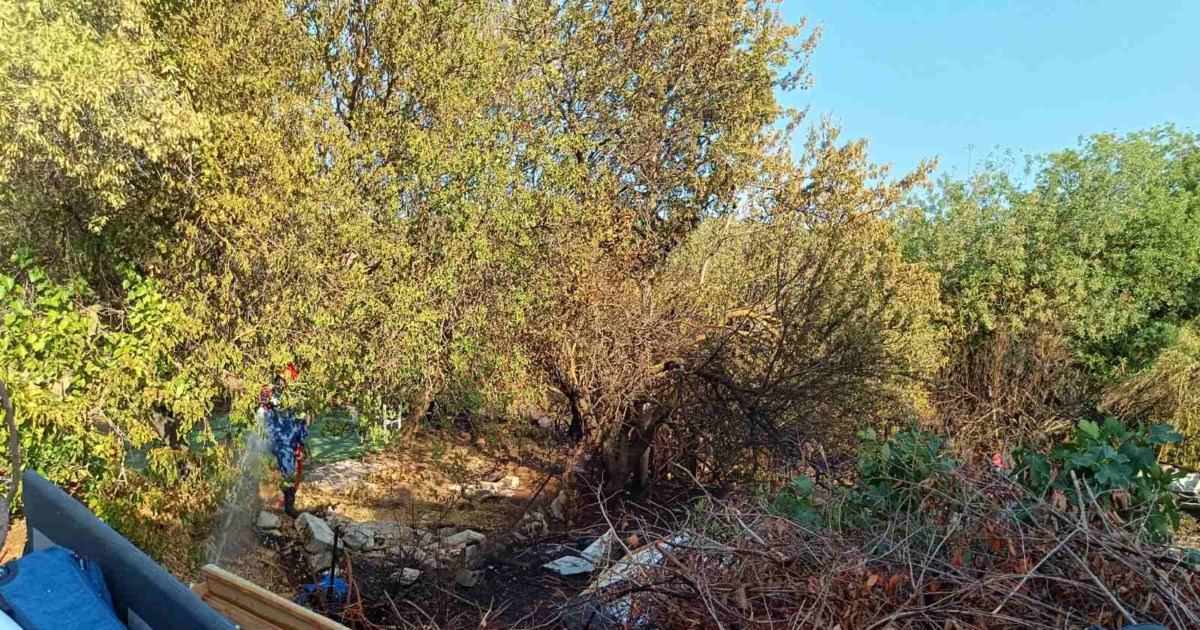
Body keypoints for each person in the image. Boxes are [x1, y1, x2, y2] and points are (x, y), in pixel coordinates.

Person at [259, 363, 311, 517]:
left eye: (286, 380)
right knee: (287, 472)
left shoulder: (295, 396)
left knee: (290, 473)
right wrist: (265, 400)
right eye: (281, 379)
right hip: (278, 438)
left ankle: (289, 504)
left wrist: (301, 442)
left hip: (290, 439)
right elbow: (265, 410)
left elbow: (303, 419)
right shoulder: (272, 394)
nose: (283, 382)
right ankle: (287, 506)